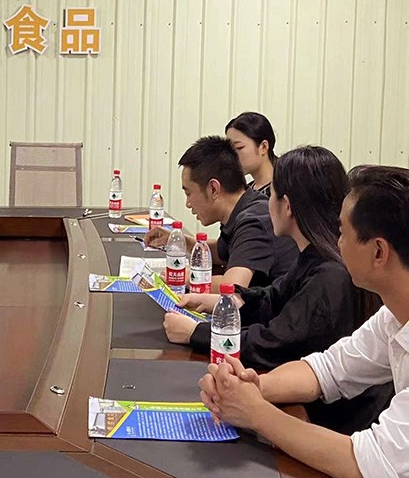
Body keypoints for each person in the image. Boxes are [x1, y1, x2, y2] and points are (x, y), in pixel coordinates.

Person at [199, 165, 409, 478]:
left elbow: (370, 462)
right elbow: (328, 369)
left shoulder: (331, 275)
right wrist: (248, 387)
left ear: (379, 252)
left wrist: (255, 412)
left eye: (343, 232)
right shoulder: (393, 316)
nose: (337, 242)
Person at [163, 147, 390, 433]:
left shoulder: (331, 274)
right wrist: (226, 303)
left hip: (336, 422)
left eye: (270, 195)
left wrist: (196, 333)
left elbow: (277, 343)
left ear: (288, 206)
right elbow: (272, 298)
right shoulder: (313, 258)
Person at [145, 136, 299, 289]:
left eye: (188, 193)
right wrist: (177, 240)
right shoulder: (244, 207)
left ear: (213, 189)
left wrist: (185, 277)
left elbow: (232, 285)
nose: (188, 203)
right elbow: (221, 252)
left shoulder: (255, 221)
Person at [225, 112, 277, 197]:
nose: (231, 155)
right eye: (229, 149)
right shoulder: (246, 192)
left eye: (239, 147)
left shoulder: (282, 191)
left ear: (263, 147)